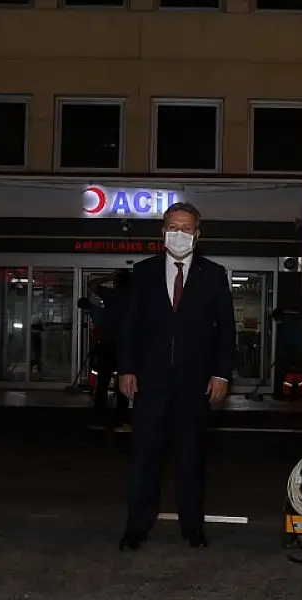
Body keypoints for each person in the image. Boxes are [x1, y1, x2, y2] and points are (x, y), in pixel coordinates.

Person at [117, 202, 236, 551]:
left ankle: (193, 527)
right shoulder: (143, 272)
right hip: (150, 382)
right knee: (145, 457)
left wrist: (221, 373)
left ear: (197, 235)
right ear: (162, 232)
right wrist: (126, 368)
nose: (179, 234)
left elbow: (225, 330)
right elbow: (129, 326)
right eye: (173, 227)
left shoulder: (213, 274)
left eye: (186, 228)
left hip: (195, 384)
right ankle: (136, 527)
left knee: (191, 458)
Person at [89, 269, 131, 430]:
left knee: (103, 380)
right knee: (123, 380)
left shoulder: (112, 295)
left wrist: (108, 277)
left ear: (116, 282)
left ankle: (99, 416)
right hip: (125, 344)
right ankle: (121, 418)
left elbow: (92, 284)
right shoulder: (133, 296)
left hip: (108, 343)